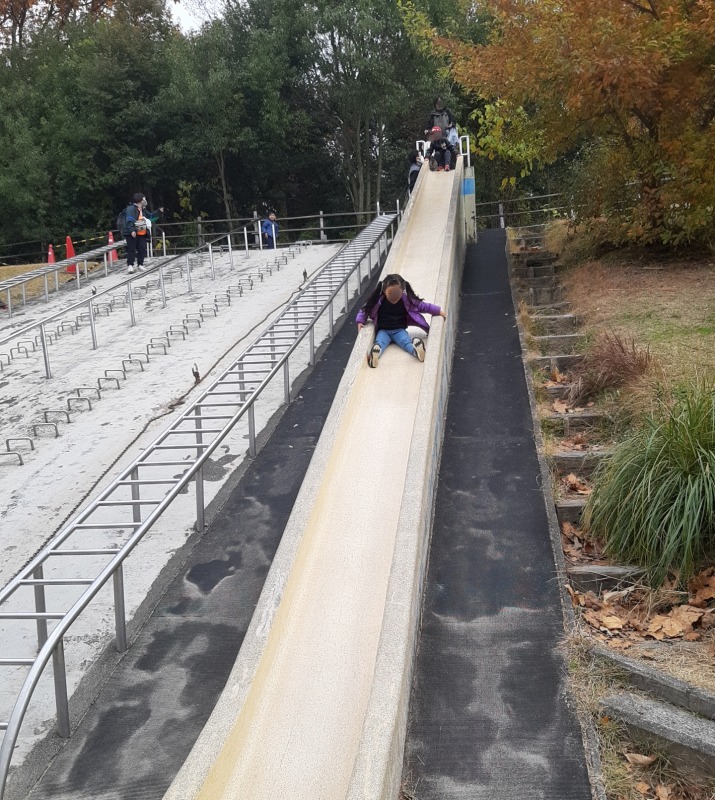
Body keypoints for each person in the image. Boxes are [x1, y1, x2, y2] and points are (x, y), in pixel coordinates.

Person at [356, 273, 447, 368]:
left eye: (397, 293)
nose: (394, 296)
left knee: (406, 343)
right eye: (390, 293)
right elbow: (365, 309)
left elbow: (423, 306)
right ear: (384, 290)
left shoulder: (407, 301)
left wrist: (438, 311)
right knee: (380, 343)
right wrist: (360, 321)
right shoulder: (378, 301)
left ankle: (417, 352)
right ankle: (375, 356)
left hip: (399, 330)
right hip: (383, 331)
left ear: (403, 290)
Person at [124, 193, 163, 274]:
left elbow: (151, 217)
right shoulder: (131, 209)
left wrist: (159, 212)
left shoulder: (143, 209)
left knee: (142, 248)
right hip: (132, 232)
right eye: (144, 199)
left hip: (142, 232)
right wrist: (132, 230)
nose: (145, 200)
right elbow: (129, 220)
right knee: (131, 249)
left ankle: (140, 264)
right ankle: (130, 265)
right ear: (140, 200)